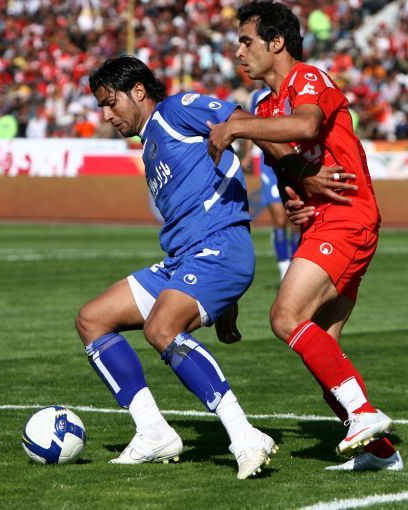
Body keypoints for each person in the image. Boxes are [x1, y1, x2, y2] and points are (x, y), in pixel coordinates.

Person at [208, 0, 403, 471]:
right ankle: (380, 453)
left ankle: (362, 414)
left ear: (276, 42)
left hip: (348, 217)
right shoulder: (265, 107)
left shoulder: (307, 78)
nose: (238, 52)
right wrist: (297, 195)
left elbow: (307, 124)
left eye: (246, 41)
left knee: (285, 317)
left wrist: (238, 126)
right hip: (323, 221)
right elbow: (288, 171)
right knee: (324, 349)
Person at [76, 55, 278, 480]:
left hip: (220, 247)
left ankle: (245, 436)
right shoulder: (150, 144)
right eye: (101, 107)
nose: (107, 115)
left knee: (161, 328)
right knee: (93, 319)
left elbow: (242, 121)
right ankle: (153, 433)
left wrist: (291, 170)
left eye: (111, 103)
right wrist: (224, 307)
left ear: (138, 91)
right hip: (184, 260)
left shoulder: (175, 111)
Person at [243, 87, 300, 280]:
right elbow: (251, 126)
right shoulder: (257, 96)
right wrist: (247, 154)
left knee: (295, 221)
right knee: (279, 219)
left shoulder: (293, 90)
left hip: (291, 159)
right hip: (267, 162)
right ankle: (284, 267)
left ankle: (295, 263)